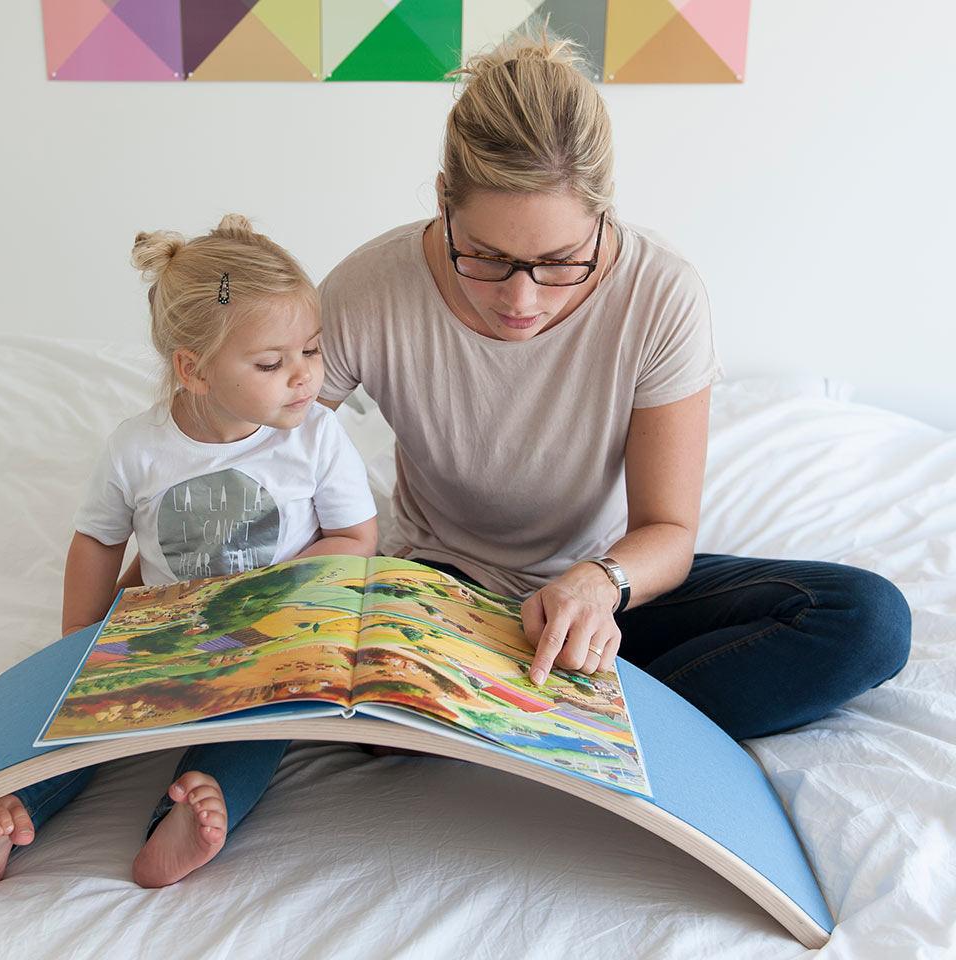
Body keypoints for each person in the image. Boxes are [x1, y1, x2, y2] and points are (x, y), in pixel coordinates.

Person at [317, 31, 910, 742]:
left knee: (868, 622)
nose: (522, 300)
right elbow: (265, 463)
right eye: (485, 257)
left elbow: (668, 532)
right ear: (444, 202)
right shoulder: (368, 289)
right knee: (391, 727)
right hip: (446, 587)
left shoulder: (661, 294)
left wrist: (597, 585)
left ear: (604, 217)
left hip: (605, 586)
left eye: (560, 261)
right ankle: (578, 715)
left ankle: (533, 714)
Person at [0, 214, 378, 889]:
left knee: (254, 732)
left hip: (265, 639)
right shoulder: (138, 447)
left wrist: (278, 595)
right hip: (159, 632)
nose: (302, 377)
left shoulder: (317, 436)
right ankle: (11, 813)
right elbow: (97, 539)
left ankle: (189, 814)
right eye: (271, 363)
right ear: (194, 370)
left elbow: (356, 537)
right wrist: (78, 645)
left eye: (312, 352)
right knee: (77, 722)